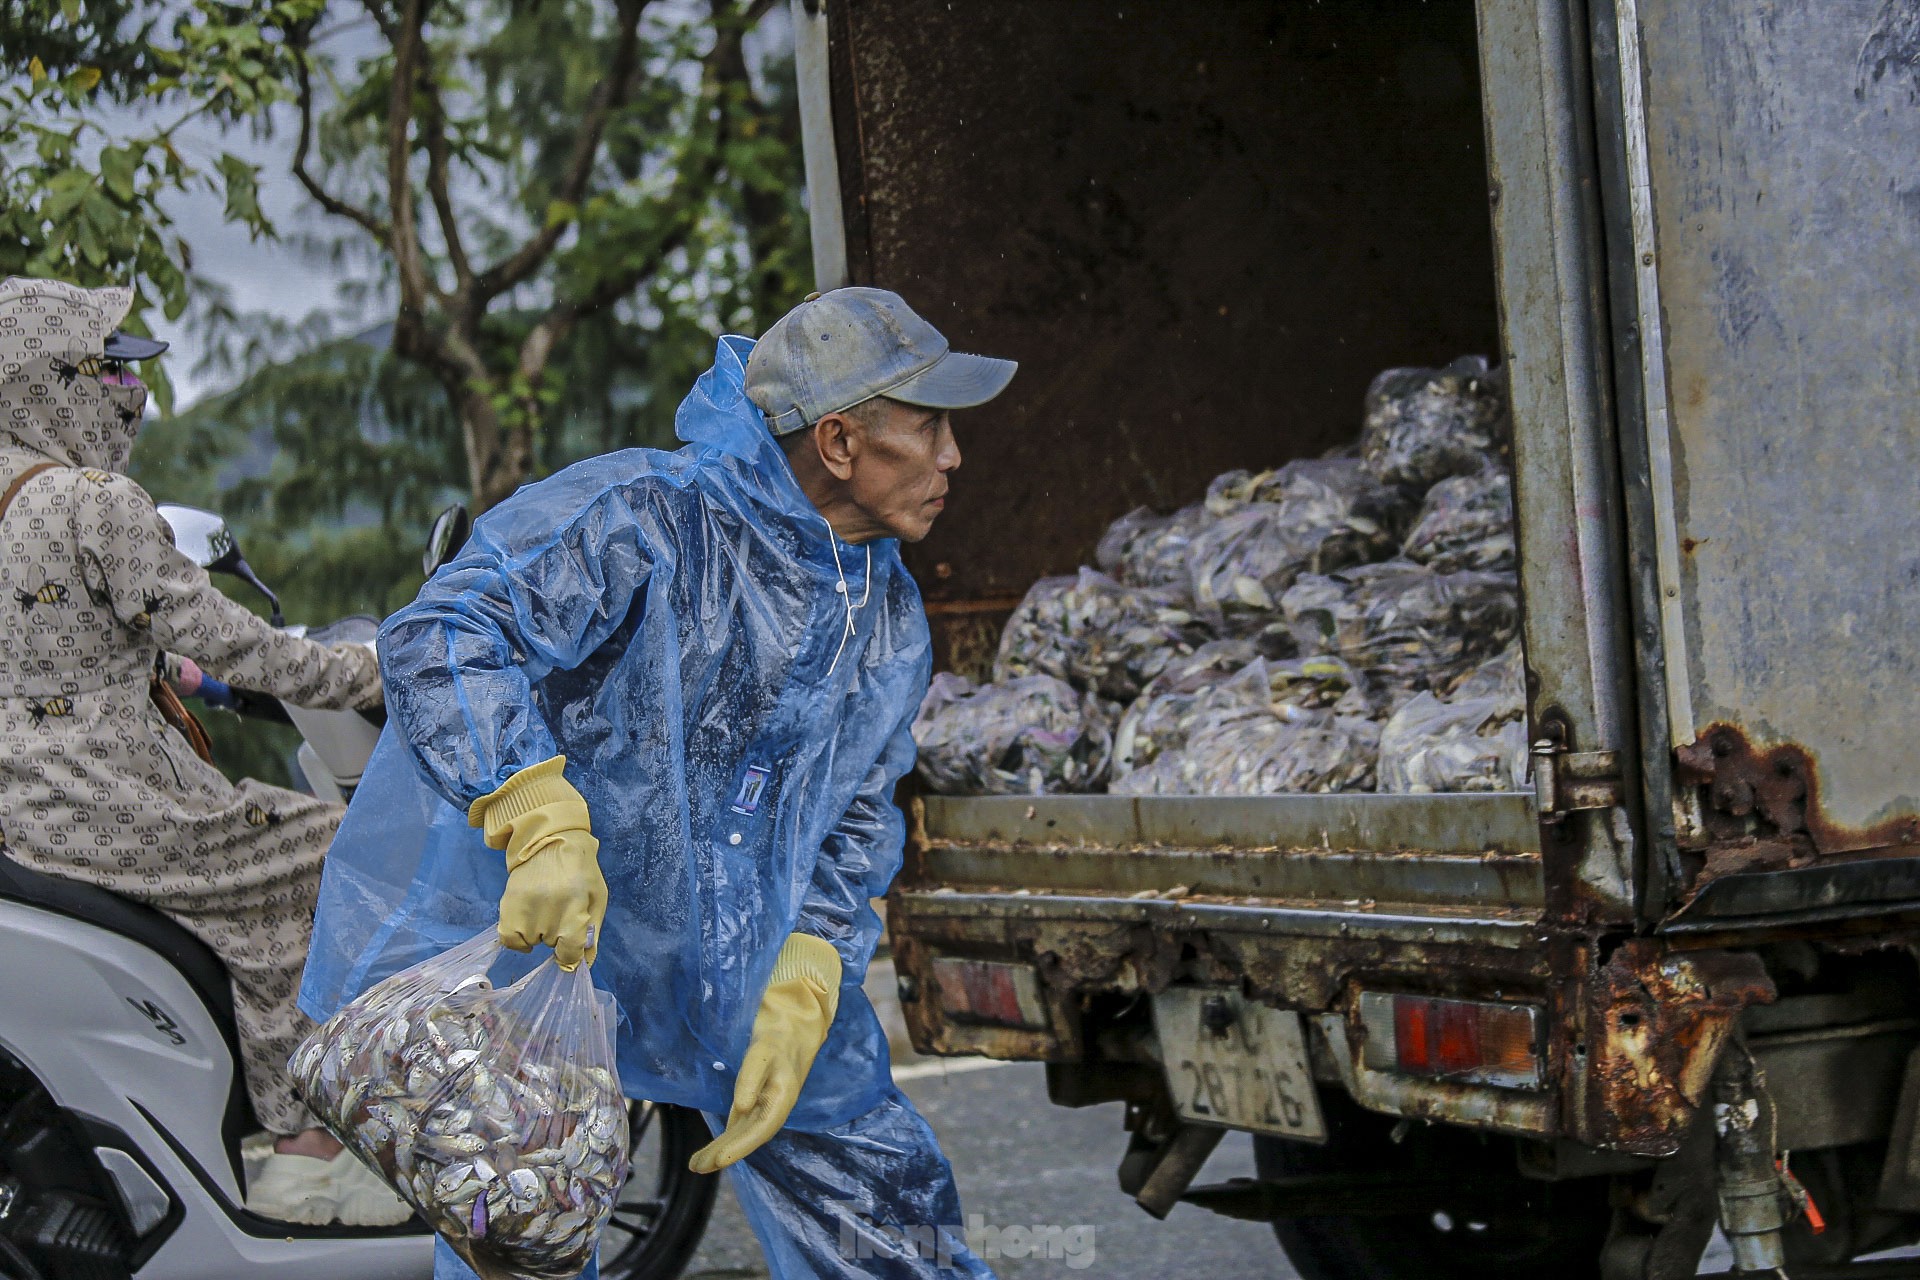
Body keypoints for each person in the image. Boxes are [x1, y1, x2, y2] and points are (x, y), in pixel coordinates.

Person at [301, 287, 1016, 1278]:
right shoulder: (645, 516)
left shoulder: (882, 607)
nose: (954, 458)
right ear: (843, 442)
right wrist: (533, 808)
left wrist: (815, 957)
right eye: (930, 426)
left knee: (887, 1219)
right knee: (524, 1228)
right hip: (554, 941)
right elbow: (447, 631)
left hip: (745, 960)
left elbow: (857, 804)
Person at [0, 277, 408, 1226]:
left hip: (30, 798)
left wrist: (163, 674)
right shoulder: (93, 499)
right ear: (47, 379)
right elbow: (227, 635)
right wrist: (364, 675)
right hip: (109, 800)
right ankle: (307, 1157)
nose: (130, 390)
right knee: (322, 847)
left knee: (260, 871)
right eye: (108, 369)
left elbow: (67, 643)